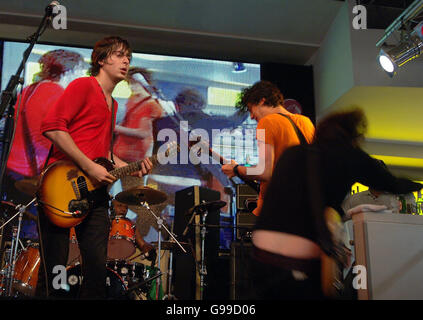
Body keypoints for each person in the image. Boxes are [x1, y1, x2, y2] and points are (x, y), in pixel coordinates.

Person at [249, 108, 423, 300]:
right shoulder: (351, 156)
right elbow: (393, 184)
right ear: (352, 134)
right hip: (298, 261)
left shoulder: (293, 153)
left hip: (260, 252)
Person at [36, 36, 153, 300]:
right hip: (61, 186)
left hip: (95, 194)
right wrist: (89, 166)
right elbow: (53, 127)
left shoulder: (113, 104)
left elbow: (103, 152)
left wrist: (130, 167)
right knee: (54, 270)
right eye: (119, 55)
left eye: (128, 57)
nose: (126, 61)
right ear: (101, 59)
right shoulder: (84, 86)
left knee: (97, 272)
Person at [3, 49, 86, 240]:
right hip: (33, 172)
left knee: (14, 230)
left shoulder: (30, 88)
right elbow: (55, 137)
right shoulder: (57, 94)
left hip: (13, 169)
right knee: (34, 236)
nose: (82, 77)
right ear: (68, 72)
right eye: (80, 71)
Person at [221, 80, 315, 216]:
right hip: (305, 206)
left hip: (279, 208)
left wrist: (236, 169)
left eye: (250, 109)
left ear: (261, 101)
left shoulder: (267, 122)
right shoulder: (306, 122)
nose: (252, 116)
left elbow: (264, 172)